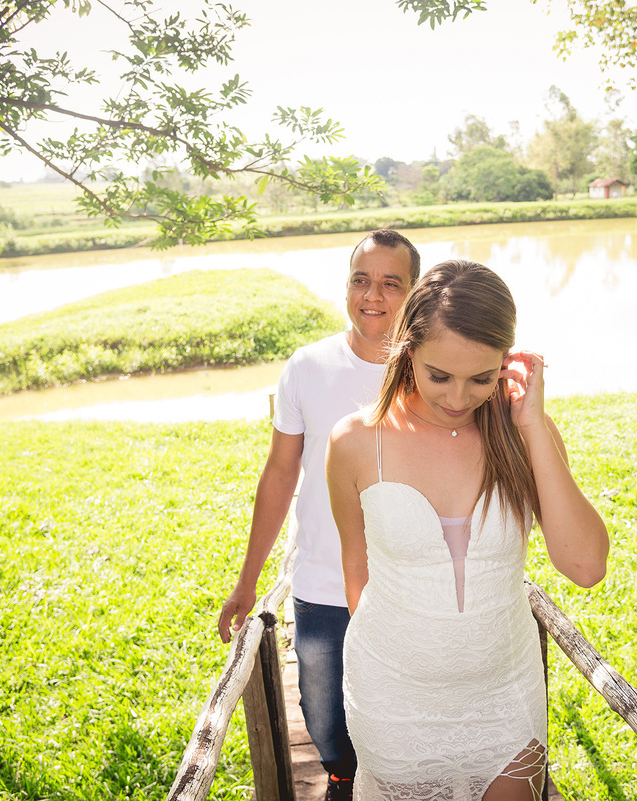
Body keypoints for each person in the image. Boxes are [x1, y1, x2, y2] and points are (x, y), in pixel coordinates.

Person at [326, 260, 610, 801]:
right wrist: (413, 653)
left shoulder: (526, 434)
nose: (458, 399)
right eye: (440, 376)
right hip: (394, 697)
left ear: (507, 362)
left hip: (505, 694)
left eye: (481, 378)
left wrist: (532, 424)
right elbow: (355, 567)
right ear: (408, 350)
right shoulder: (356, 441)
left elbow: (586, 566)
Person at [217, 229, 420, 801]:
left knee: (406, 718)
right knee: (326, 719)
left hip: (408, 587)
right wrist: (246, 582)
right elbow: (280, 474)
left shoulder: (431, 372)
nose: (372, 295)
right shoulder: (307, 367)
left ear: (415, 291)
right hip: (322, 585)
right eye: (361, 280)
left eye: (390, 283)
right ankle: (342, 780)